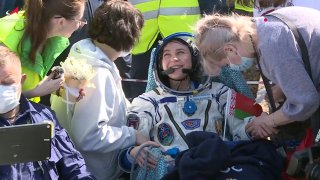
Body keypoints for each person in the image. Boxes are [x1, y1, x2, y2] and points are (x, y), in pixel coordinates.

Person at [118, 33, 283, 179]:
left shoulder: (220, 93)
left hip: (219, 165)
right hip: (174, 169)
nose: (174, 59)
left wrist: (253, 128)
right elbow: (127, 152)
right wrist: (134, 153)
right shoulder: (148, 102)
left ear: (195, 59)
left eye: (180, 53)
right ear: (160, 66)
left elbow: (242, 125)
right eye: (166, 55)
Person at [50, 1, 148, 179]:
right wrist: (132, 135)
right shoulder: (98, 73)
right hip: (92, 171)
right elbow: (91, 136)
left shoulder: (86, 56)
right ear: (129, 34)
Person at [194, 7, 320, 141]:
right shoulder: (263, 26)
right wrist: (283, 87)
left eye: (226, 64)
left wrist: (269, 121)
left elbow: (306, 102)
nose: (231, 68)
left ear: (230, 49)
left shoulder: (272, 50)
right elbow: (300, 54)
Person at [0, 46, 96, 179]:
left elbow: (74, 166)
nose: (1, 89)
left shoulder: (43, 117)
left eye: (8, 82)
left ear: (21, 81)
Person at [0, 0, 86, 102]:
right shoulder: (6, 43)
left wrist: (60, 88)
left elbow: (31, 80)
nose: (81, 24)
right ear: (61, 22)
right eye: (79, 20)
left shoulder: (46, 32)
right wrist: (35, 92)